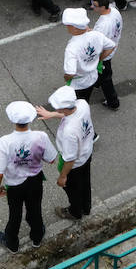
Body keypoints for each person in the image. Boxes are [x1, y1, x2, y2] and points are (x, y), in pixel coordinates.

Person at [0, 101, 58, 253]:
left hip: (14, 184)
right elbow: (52, 159)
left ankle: (12, 243)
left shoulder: (5, 142)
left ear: (12, 120)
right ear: (30, 119)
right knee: (35, 209)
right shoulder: (41, 136)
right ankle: (37, 237)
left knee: (15, 214)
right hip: (35, 180)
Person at [36, 85, 94, 221]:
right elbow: (69, 114)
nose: (56, 109)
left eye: (57, 107)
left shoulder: (69, 132)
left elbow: (70, 159)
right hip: (87, 153)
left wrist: (63, 176)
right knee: (85, 183)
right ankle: (86, 207)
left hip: (74, 164)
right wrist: (53, 115)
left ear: (64, 108)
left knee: (72, 189)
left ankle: (75, 212)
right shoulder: (82, 104)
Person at [61, 8, 115, 101]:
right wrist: (99, 59)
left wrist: (66, 78)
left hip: (79, 83)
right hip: (93, 76)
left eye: (68, 25)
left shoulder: (72, 48)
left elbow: (70, 73)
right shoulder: (97, 35)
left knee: (79, 102)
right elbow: (111, 46)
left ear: (74, 28)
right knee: (86, 97)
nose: (67, 27)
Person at [87, 0, 123, 110]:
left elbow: (97, 44)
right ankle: (97, 82)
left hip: (105, 54)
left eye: (95, 5)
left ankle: (113, 102)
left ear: (102, 7)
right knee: (103, 73)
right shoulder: (114, 11)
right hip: (113, 45)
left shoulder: (103, 25)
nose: (92, 7)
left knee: (106, 79)